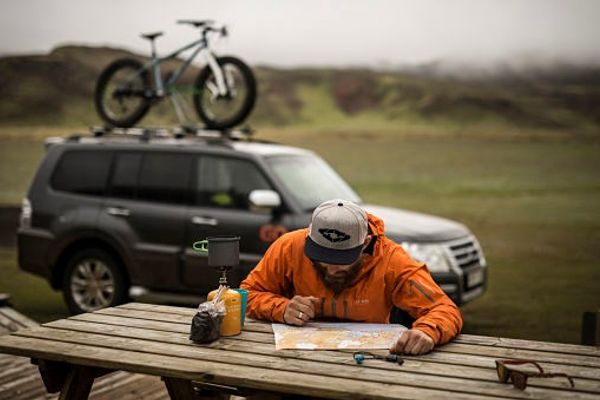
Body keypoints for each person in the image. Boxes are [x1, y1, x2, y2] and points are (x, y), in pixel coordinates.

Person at [240, 199, 463, 355]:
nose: (331, 269)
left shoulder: (392, 260)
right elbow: (248, 294)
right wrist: (281, 308)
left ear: (365, 243)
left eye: (343, 259)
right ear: (309, 238)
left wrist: (427, 331)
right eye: (322, 257)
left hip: (369, 363)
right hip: (293, 358)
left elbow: (443, 309)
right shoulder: (289, 246)